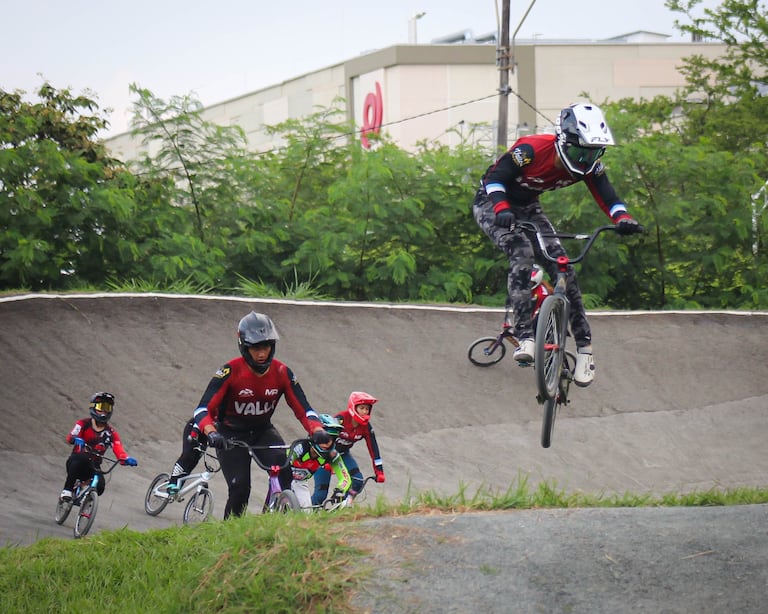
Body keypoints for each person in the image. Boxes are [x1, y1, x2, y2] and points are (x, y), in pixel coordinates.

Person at [472, 102, 642, 387]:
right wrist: (501, 208)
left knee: (563, 266)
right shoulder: (530, 150)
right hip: (493, 203)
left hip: (528, 207)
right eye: (580, 152)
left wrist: (623, 218)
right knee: (522, 254)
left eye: (594, 153)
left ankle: (585, 349)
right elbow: (495, 178)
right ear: (565, 141)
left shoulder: (589, 166)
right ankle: (525, 338)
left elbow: (608, 196)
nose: (586, 160)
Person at [193, 311, 330, 519]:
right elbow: (202, 409)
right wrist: (212, 432)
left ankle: (268, 521)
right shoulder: (230, 372)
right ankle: (230, 534)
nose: (262, 354)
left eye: (266, 346)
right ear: (244, 346)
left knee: (285, 472)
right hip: (230, 434)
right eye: (256, 348)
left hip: (262, 431)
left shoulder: (282, 372)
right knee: (240, 488)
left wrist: (317, 429)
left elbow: (304, 409)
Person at [60, 392, 138, 501]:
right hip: (76, 461)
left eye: (107, 408)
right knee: (81, 459)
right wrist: (75, 439)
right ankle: (67, 490)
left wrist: (126, 458)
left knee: (100, 486)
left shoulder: (111, 433)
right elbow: (70, 436)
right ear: (93, 407)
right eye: (101, 407)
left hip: (94, 466)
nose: (104, 412)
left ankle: (86, 503)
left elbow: (117, 447)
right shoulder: (83, 423)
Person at [312, 391, 385, 506]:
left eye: (367, 409)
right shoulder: (340, 420)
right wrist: (326, 460)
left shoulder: (366, 427)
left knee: (358, 481)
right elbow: (323, 440)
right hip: (324, 456)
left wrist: (379, 471)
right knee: (320, 495)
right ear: (353, 407)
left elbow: (374, 450)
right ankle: (310, 516)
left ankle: (343, 505)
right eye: (362, 408)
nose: (365, 411)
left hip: (343, 454)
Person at [288, 414, 352, 509]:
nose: (327, 442)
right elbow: (282, 464)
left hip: (300, 482)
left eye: (331, 439)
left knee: (306, 515)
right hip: (284, 479)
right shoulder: (300, 447)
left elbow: (345, 478)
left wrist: (340, 490)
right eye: (323, 438)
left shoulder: (332, 455)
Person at [166, 418, 207, 494]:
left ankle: (178, 488)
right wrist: (193, 435)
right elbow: (201, 418)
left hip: (205, 436)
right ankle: (172, 482)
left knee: (194, 461)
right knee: (187, 455)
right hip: (194, 428)